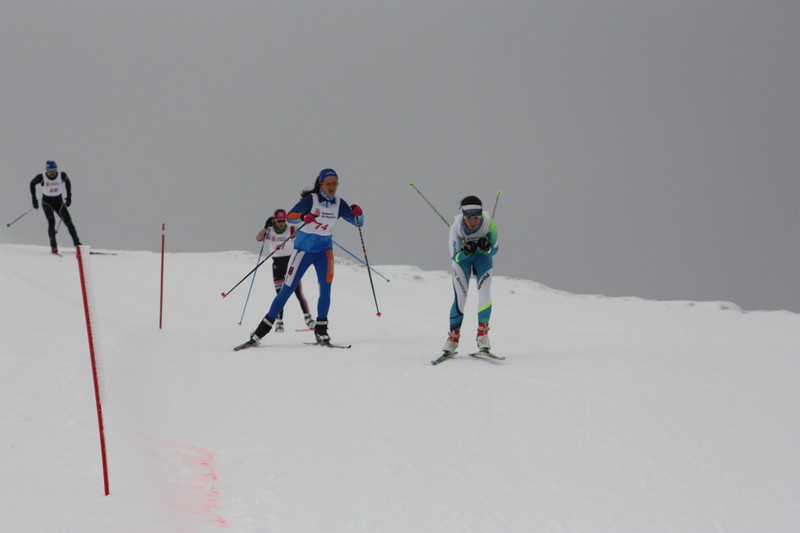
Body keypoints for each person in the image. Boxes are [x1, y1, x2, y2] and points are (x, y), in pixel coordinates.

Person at [237, 168, 364, 349]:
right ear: (321, 184)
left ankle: (321, 329)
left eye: (335, 184)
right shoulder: (310, 200)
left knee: (326, 289)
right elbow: (291, 216)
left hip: (324, 252)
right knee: (287, 290)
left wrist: (359, 214)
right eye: (328, 184)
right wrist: (305, 215)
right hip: (303, 251)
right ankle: (261, 331)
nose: (331, 187)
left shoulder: (338, 203)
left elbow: (358, 223)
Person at [442, 195, 499, 355]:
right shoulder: (456, 227)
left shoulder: (490, 224)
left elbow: (495, 249)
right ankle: (453, 339)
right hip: (462, 262)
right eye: (469, 218)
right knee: (460, 297)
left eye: (476, 217)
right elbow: (455, 256)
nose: (473, 221)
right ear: (463, 216)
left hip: (483, 259)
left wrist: (486, 247)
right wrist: (466, 251)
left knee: (484, 293)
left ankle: (483, 336)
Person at [256, 208, 314, 332]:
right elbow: (258, 238)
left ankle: (308, 318)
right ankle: (279, 323)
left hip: (290, 263)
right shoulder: (270, 231)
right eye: (279, 221)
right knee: (279, 294)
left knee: (298, 292)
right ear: (274, 220)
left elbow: (305, 234)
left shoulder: (291, 229)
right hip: (277, 264)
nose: (281, 223)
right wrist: (265, 227)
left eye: (283, 220)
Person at [29, 160, 82, 254]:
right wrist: (34, 199)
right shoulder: (42, 177)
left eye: (54, 170)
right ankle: (53, 246)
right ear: (46, 170)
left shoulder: (61, 175)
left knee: (69, 222)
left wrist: (69, 197)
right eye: (50, 171)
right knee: (51, 221)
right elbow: (32, 183)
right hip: (47, 203)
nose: (52, 173)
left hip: (59, 202)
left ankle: (77, 244)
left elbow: (68, 182)